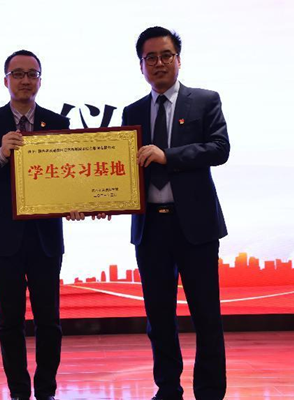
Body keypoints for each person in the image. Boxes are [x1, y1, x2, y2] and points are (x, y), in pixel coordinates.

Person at [121, 27, 230, 400]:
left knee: (206, 314)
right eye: (150, 57)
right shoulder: (133, 111)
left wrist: (168, 156)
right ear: (141, 65)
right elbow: (123, 168)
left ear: (178, 60)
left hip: (196, 226)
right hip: (150, 227)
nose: (159, 63)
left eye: (166, 55)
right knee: (159, 317)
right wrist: (100, 198)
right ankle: (167, 387)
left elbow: (219, 148)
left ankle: (210, 391)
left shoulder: (205, 101)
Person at [0, 50, 70, 400]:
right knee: (10, 322)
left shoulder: (57, 122)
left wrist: (78, 202)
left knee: (49, 321)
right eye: (18, 74)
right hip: (3, 237)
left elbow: (68, 176)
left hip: (45, 236)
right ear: (5, 80)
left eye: (32, 74)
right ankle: (19, 392)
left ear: (40, 80)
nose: (25, 80)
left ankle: (46, 390)